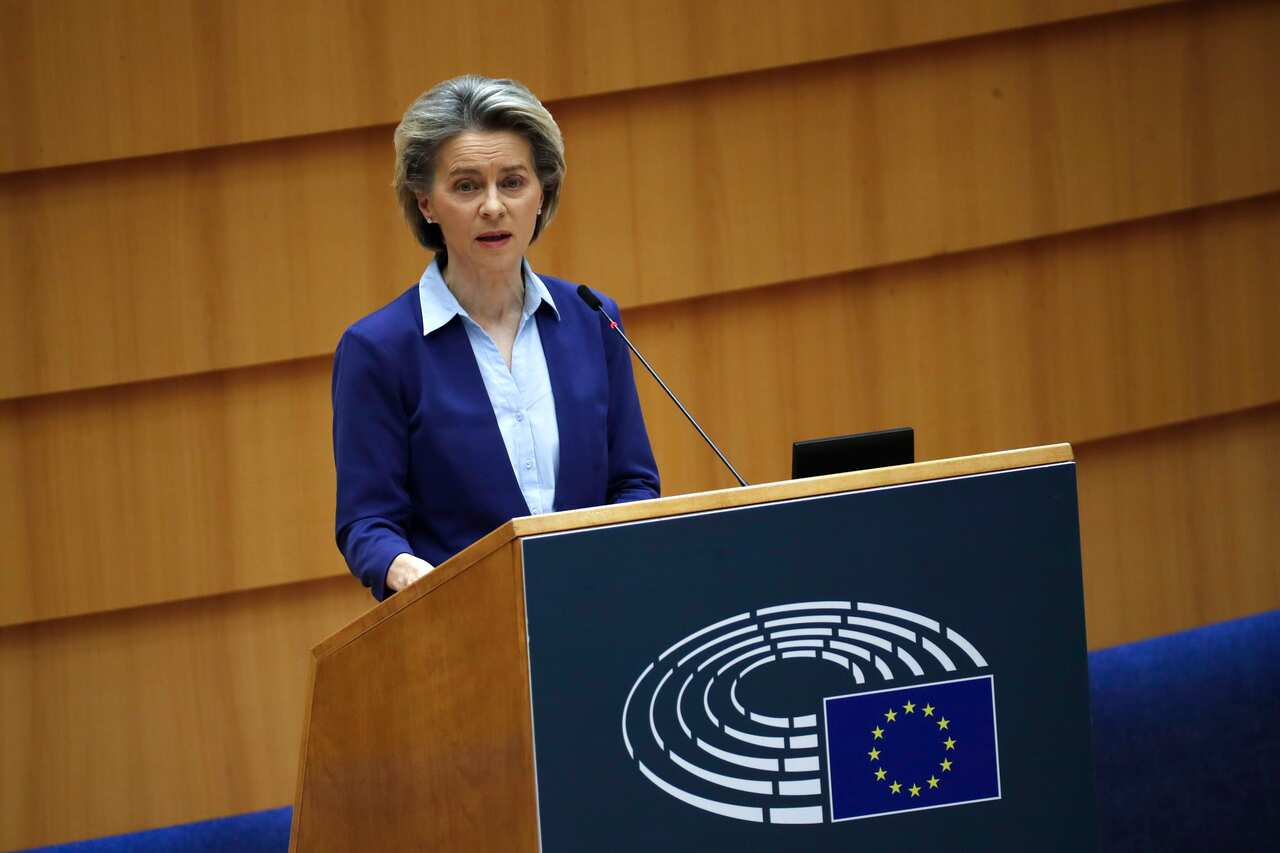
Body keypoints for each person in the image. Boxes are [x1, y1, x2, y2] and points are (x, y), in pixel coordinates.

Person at [332, 75, 660, 601]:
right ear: (426, 203)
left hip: (601, 611)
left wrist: (611, 555)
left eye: (512, 182)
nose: (492, 206)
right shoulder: (380, 349)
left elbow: (634, 483)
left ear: (541, 192)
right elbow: (367, 522)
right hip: (463, 629)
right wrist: (406, 572)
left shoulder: (592, 318)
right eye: (466, 186)